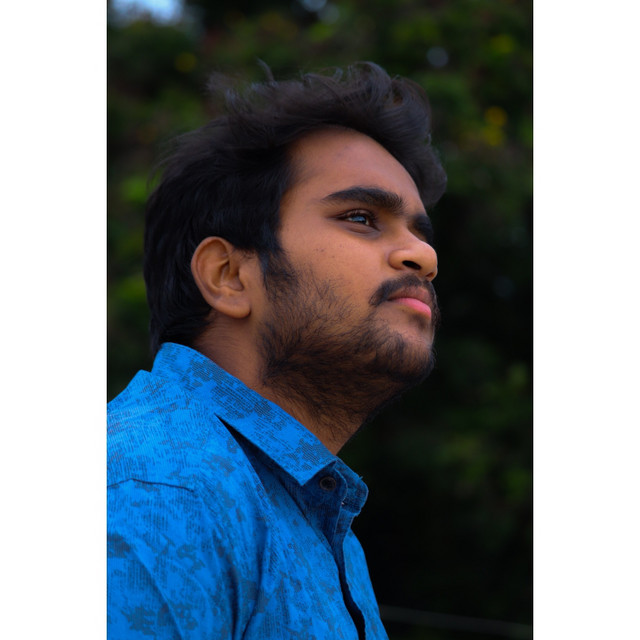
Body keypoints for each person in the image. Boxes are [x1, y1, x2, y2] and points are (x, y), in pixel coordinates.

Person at [107, 62, 447, 639]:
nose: (424, 257)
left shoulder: (312, 515)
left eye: (419, 232)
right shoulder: (156, 492)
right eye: (362, 218)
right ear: (229, 276)